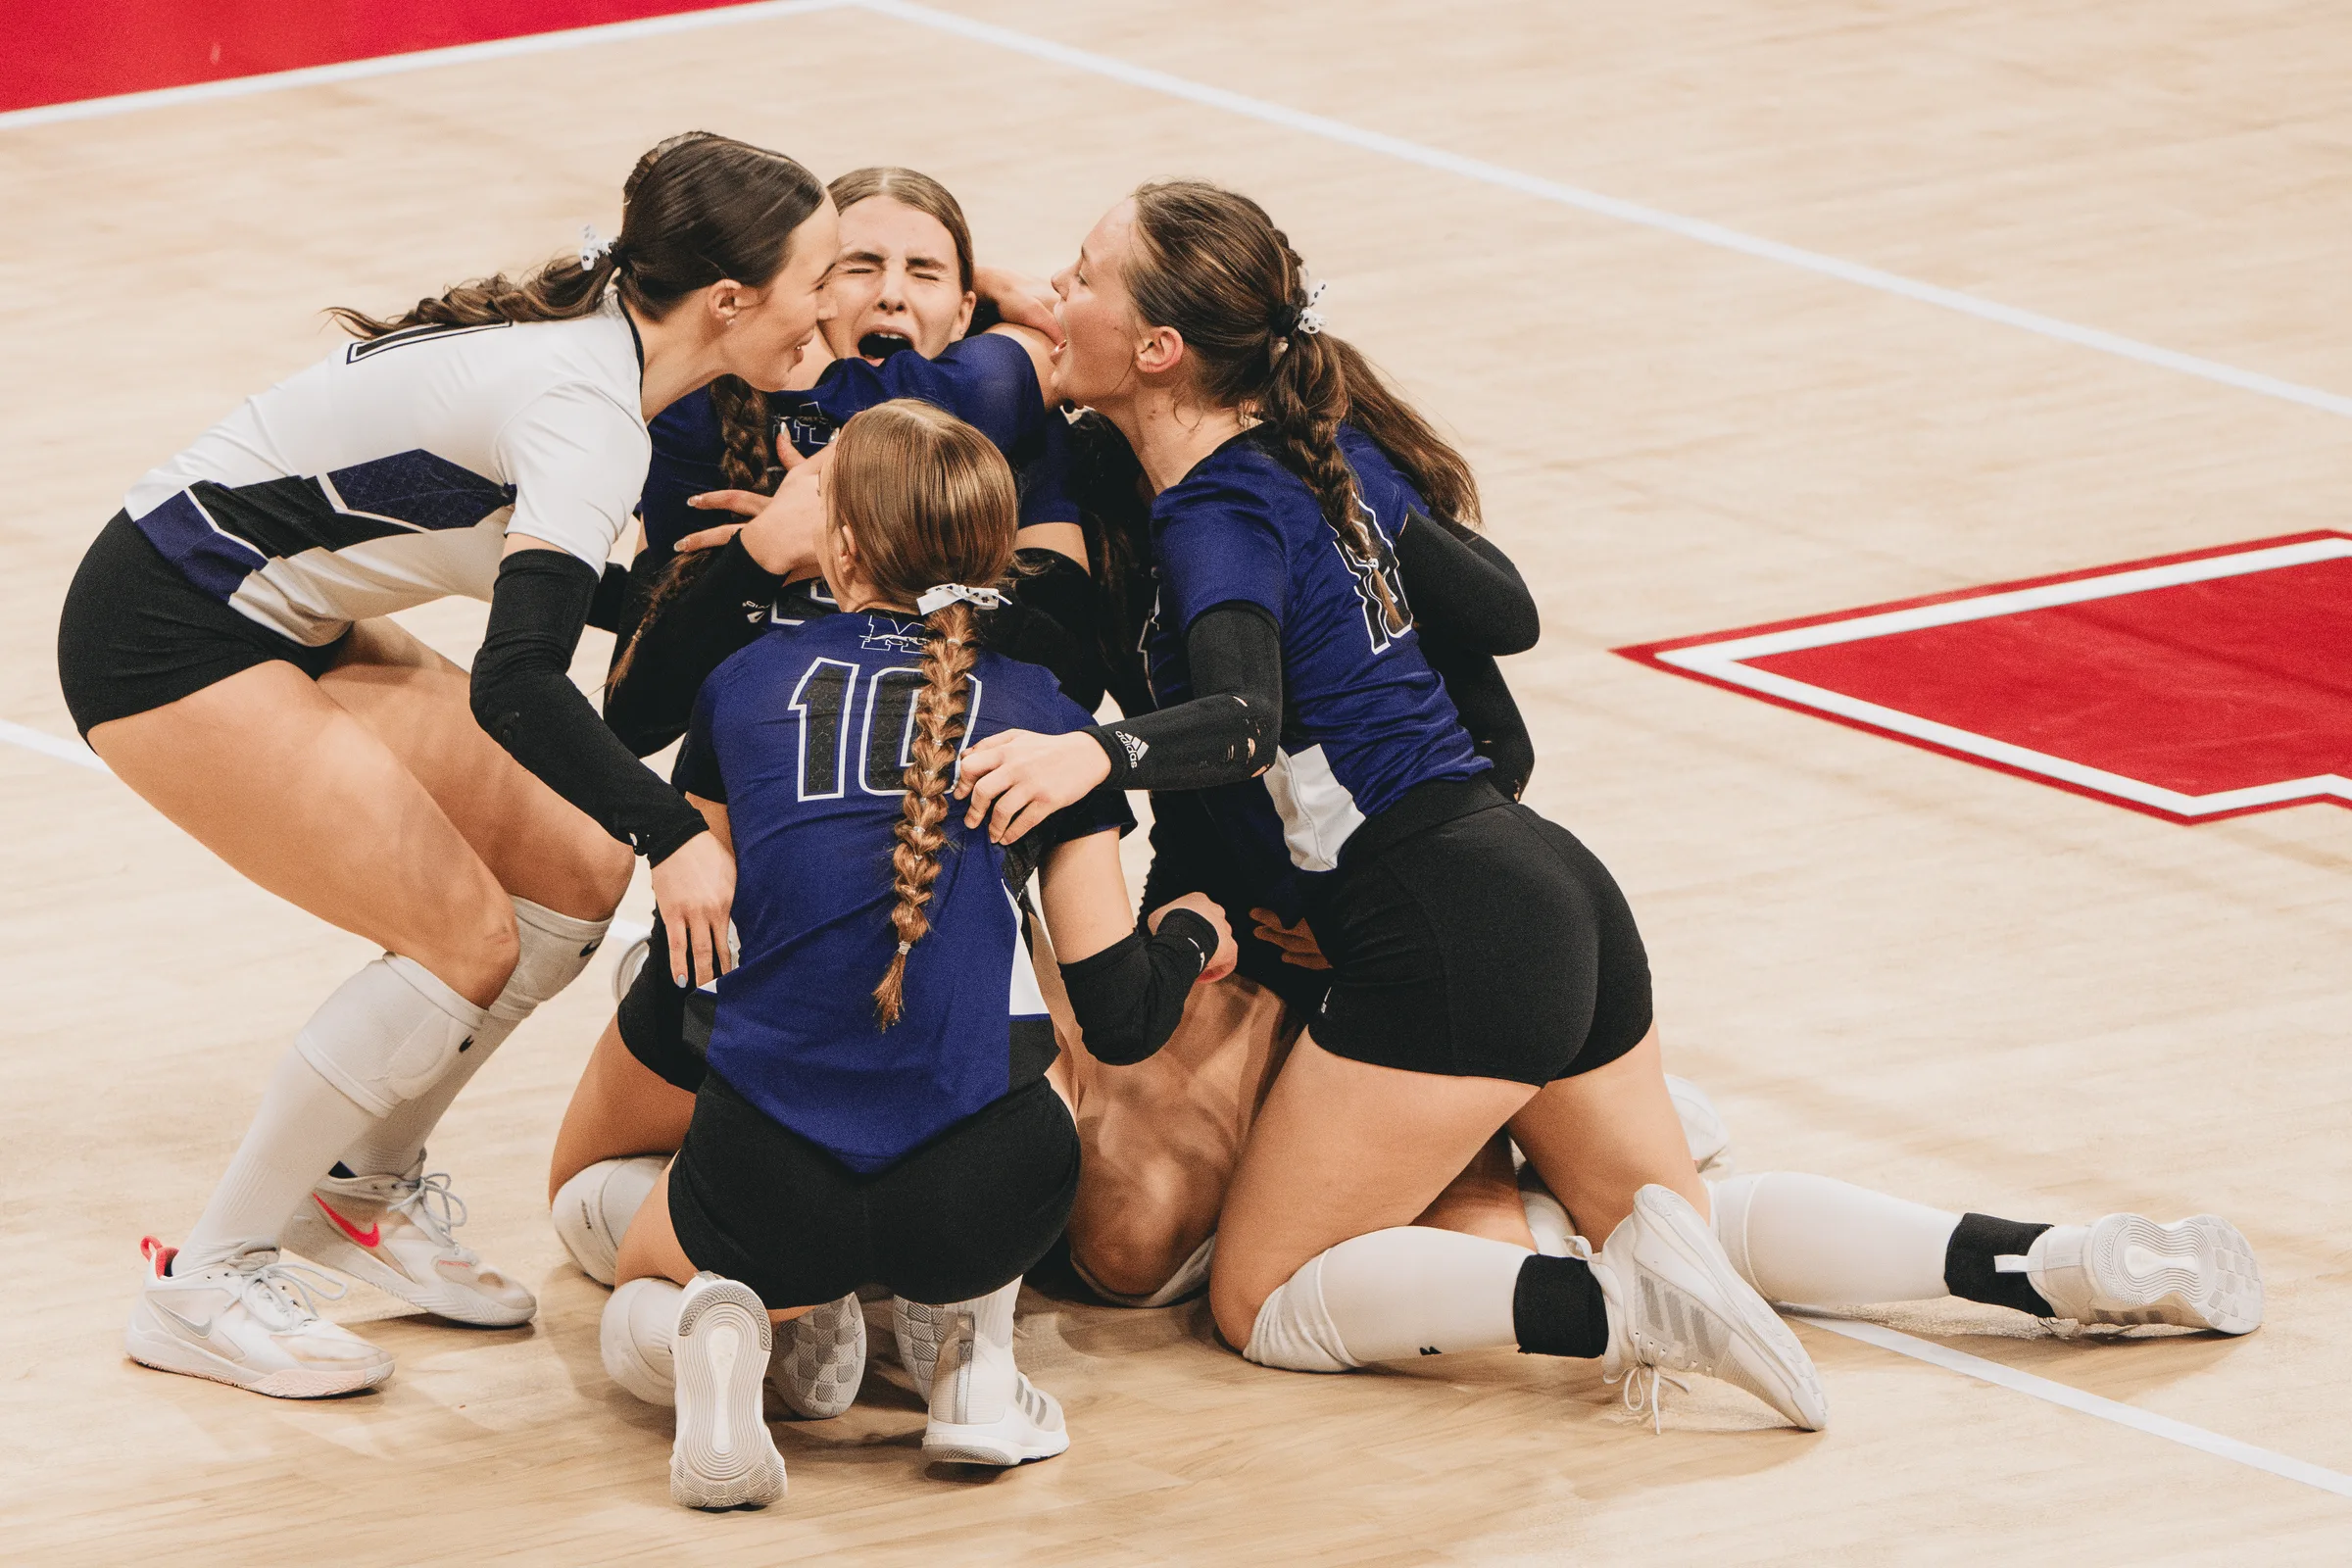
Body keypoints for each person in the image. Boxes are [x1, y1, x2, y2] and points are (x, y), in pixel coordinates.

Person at [953, 179, 1828, 1432]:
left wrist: (1097, 756)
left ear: (1159, 349)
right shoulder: (1325, 463)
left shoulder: (1215, 508)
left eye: (1083, 278)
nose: (1058, 296)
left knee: (1256, 1301)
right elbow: (1498, 623)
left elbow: (1244, 720)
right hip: (1548, 883)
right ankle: (2032, 1261)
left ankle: (1618, 1305)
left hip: (1436, 924)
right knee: (1660, 1220)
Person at [59, 130, 837, 1396]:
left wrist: (758, 565)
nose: (833, 303)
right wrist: (679, 835)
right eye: (820, 274)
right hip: (167, 630)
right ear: (733, 301)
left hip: (274, 615)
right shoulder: (587, 411)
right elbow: (521, 685)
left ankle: (355, 1198)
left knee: (572, 868)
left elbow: (602, 617)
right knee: (462, 939)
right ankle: (204, 1278)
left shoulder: (600, 352)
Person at [589, 399, 1236, 1508]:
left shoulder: (742, 687)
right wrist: (1189, 931)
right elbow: (1123, 1018)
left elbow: (703, 955)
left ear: (837, 547)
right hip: (985, 1191)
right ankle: (977, 1364)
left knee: (625, 1301)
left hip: (770, 1170)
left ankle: (734, 1326)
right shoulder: (1043, 711)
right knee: (1016, 1018)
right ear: (999, 552)